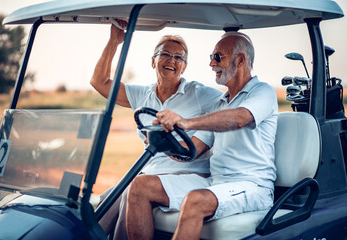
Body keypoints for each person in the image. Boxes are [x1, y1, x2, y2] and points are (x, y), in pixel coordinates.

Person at [126, 31, 278, 240]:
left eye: (218, 57)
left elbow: (240, 118)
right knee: (140, 186)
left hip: (252, 186)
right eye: (211, 57)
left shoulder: (262, 92)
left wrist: (187, 122)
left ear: (240, 59)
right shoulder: (220, 104)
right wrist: (163, 142)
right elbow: (193, 150)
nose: (211, 64)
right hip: (216, 182)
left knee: (194, 201)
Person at [90, 19, 222, 239]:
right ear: (153, 61)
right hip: (151, 173)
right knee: (107, 202)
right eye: (165, 54)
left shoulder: (198, 94)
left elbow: (233, 103)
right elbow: (99, 82)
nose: (172, 60)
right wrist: (114, 42)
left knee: (133, 190)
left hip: (188, 174)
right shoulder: (143, 95)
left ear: (184, 66)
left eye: (179, 57)